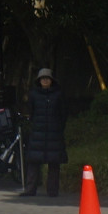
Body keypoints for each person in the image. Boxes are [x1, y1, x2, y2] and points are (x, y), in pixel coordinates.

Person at [23, 67, 68, 197]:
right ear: (39, 80)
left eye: (47, 78)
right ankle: (30, 189)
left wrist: (59, 128)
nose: (45, 80)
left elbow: (63, 113)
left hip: (54, 133)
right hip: (37, 132)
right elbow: (30, 112)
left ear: (52, 80)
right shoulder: (33, 94)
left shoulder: (58, 94)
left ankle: (53, 191)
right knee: (33, 162)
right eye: (42, 78)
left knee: (54, 163)